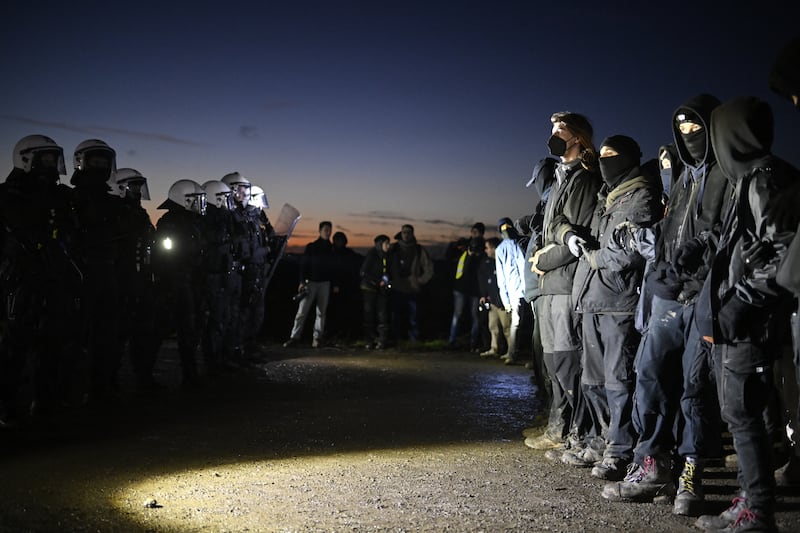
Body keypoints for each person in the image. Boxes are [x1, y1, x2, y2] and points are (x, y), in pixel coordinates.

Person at [600, 95, 731, 513]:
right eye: (683, 130)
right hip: (667, 295)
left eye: (697, 129)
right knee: (651, 376)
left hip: (704, 295)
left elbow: (715, 235)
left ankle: (692, 473)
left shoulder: (725, 176)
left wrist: (688, 261)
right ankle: (653, 464)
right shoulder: (684, 181)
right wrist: (645, 241)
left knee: (695, 387)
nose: (690, 137)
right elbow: (672, 232)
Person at [692, 96, 798, 532]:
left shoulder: (763, 180)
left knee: (742, 414)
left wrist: (740, 302)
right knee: (739, 413)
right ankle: (748, 502)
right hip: (737, 317)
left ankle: (756, 510)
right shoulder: (753, 178)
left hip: (750, 321)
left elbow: (782, 253)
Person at [568, 135, 663, 481]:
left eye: (612, 155)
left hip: (619, 303)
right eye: (602, 154)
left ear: (630, 159)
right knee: (593, 380)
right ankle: (602, 439)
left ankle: (620, 450)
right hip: (593, 299)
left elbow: (624, 253)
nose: (605, 160)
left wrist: (592, 256)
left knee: (618, 381)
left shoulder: (641, 195)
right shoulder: (606, 198)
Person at [525, 112, 601, 457]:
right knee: (554, 362)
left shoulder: (584, 178)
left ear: (578, 137)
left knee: (568, 362)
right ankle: (559, 427)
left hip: (566, 283)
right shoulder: (561, 177)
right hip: (551, 285)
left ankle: (573, 431)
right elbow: (552, 225)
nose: (553, 134)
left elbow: (577, 233)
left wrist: (542, 260)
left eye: (560, 129)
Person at [0, 135, 82, 424]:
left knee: (54, 340)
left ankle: (46, 401)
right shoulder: (8, 194)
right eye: (45, 158)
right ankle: (10, 406)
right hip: (21, 279)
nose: (51, 164)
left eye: (53, 158)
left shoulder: (61, 197)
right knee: (16, 344)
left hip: (55, 276)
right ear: (26, 158)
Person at [70, 139, 124, 404]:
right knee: (77, 334)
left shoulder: (111, 201)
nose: (101, 166)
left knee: (107, 333)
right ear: (82, 161)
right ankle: (73, 389)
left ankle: (100, 385)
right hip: (82, 271)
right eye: (96, 161)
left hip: (107, 271)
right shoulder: (73, 198)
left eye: (105, 161)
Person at [151, 179, 207, 386]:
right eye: (195, 200)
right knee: (160, 328)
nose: (199, 204)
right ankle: (145, 373)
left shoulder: (194, 224)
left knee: (189, 329)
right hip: (173, 282)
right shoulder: (169, 223)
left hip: (189, 281)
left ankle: (190, 373)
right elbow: (165, 255)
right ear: (184, 200)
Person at [110, 168, 159, 390]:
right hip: (120, 281)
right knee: (116, 334)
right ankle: (108, 383)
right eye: (134, 186)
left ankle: (144, 377)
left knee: (144, 332)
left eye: (139, 186)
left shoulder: (140, 214)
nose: (138, 191)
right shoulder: (113, 213)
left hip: (142, 280)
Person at [516, 157, 558, 410]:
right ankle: (547, 409)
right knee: (540, 348)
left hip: (544, 288)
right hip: (537, 289)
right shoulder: (545, 202)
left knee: (545, 350)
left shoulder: (552, 198)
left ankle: (550, 411)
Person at [199, 180, 238, 375]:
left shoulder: (222, 219)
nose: (226, 203)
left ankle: (220, 358)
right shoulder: (208, 221)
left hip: (222, 274)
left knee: (223, 319)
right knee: (214, 321)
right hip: (212, 276)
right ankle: (212, 361)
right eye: (223, 198)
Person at [284, 221, 334, 348]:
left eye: (329, 230)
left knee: (321, 312)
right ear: (320, 231)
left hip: (325, 283)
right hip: (311, 282)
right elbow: (304, 265)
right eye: (326, 230)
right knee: (302, 311)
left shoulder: (331, 248)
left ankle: (317, 339)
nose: (328, 232)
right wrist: (302, 281)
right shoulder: (312, 247)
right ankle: (294, 337)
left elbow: (335, 267)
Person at [388, 224, 434, 343]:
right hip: (397, 287)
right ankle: (397, 339)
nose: (406, 234)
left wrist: (420, 280)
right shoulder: (393, 248)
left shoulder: (419, 249)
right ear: (401, 233)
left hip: (413, 288)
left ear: (412, 234)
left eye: (409, 232)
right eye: (404, 232)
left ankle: (413, 339)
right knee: (396, 315)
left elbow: (429, 268)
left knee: (414, 316)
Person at [495, 218, 526, 365]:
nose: (506, 229)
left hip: (527, 290)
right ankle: (512, 353)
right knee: (516, 323)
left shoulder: (520, 243)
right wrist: (505, 299)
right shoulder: (500, 249)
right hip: (515, 292)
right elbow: (501, 277)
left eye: (508, 226)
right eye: (503, 227)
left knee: (525, 323)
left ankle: (518, 353)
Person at [448, 233, 484, 351]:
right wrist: (469, 256)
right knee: (457, 315)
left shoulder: (481, 258)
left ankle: (473, 343)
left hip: (474, 291)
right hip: (461, 289)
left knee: (475, 317)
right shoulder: (463, 255)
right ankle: (452, 341)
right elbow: (464, 271)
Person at [328, 231, 363, 344]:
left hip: (347, 287)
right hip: (333, 287)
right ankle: (335, 335)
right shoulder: (331, 253)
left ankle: (345, 335)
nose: (339, 242)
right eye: (337, 240)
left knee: (345, 312)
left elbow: (356, 264)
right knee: (334, 312)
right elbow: (332, 270)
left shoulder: (349, 253)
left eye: (341, 240)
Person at [478, 237, 509, 358]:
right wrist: (484, 295)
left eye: (487, 248)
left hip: (503, 301)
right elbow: (484, 281)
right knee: (493, 325)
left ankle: (510, 351)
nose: (486, 251)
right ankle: (494, 348)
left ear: (494, 248)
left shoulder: (504, 261)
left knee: (507, 327)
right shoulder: (487, 263)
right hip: (492, 301)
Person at [360, 234, 392, 349]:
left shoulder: (386, 256)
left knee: (382, 315)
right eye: (386, 243)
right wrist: (378, 281)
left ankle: (382, 340)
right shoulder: (372, 255)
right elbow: (364, 272)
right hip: (369, 290)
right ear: (380, 244)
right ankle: (369, 341)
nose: (389, 245)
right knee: (369, 315)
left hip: (381, 290)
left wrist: (387, 281)